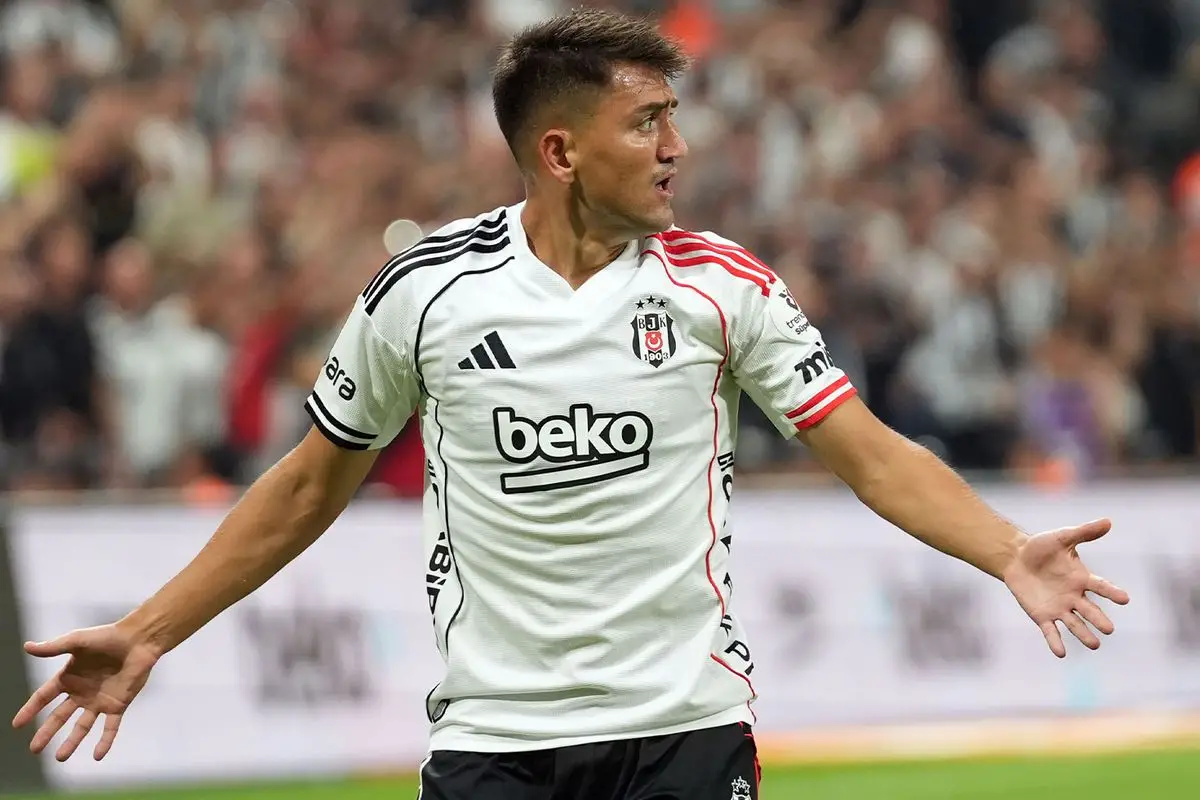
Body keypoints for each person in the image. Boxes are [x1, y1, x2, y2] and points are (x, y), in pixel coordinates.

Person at [11, 9, 1129, 799]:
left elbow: (871, 453)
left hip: (684, 730)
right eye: (647, 123)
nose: (677, 147)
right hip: (495, 739)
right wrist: (150, 630)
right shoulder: (426, 294)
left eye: (673, 118)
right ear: (559, 150)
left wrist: (1004, 549)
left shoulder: (722, 286)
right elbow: (307, 485)